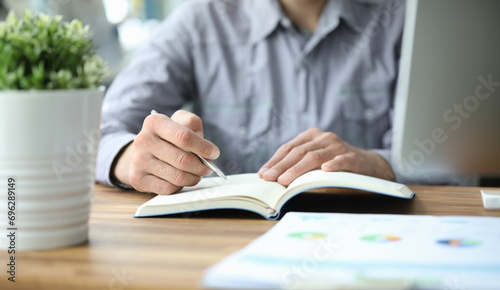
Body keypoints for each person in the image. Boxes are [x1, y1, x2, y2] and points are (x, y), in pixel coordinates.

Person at [97, 0, 463, 195]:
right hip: (227, 241)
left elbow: (459, 155)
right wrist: (129, 157)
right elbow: (98, 130)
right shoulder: (199, 22)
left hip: (375, 236)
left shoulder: (407, 17)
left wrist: (377, 164)